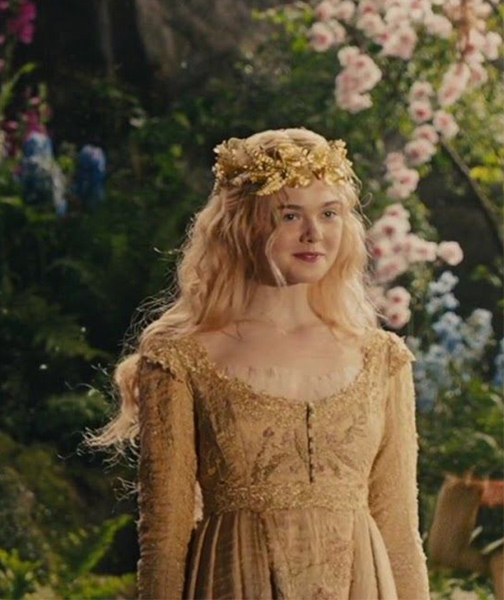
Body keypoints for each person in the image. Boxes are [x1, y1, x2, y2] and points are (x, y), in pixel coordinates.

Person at [90, 128, 429, 599]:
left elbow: (399, 531)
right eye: (290, 215)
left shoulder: (380, 358)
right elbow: (164, 538)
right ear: (242, 224)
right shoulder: (181, 358)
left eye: (329, 213)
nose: (314, 234)